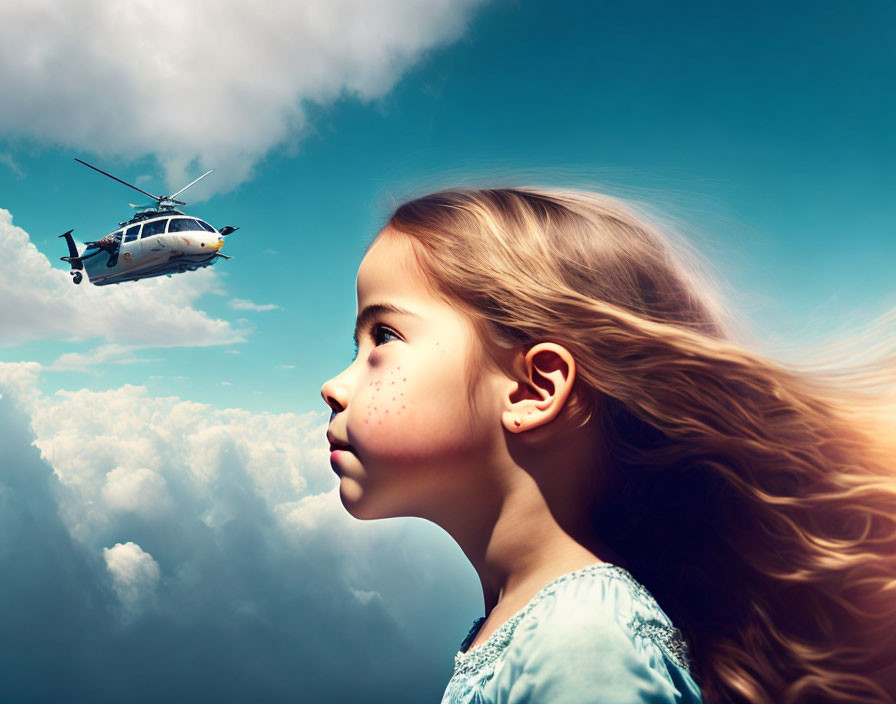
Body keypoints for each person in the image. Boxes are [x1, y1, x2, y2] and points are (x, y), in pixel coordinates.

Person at [320, 187, 896, 703]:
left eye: (384, 335)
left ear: (532, 389)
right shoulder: (537, 622)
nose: (333, 387)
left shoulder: (582, 641)